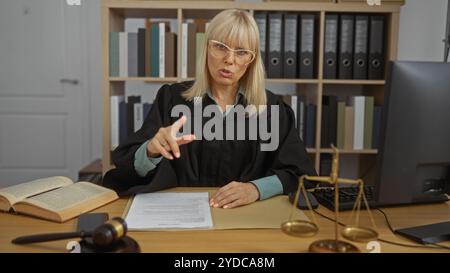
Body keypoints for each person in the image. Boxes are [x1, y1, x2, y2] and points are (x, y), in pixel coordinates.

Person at [103, 9, 316, 208]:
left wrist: (256, 189)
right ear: (206, 48)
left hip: (246, 216)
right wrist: (150, 150)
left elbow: (301, 174)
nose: (229, 60)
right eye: (220, 46)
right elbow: (127, 166)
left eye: (241, 52)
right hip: (182, 212)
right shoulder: (172, 99)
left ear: (251, 61)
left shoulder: (272, 110)